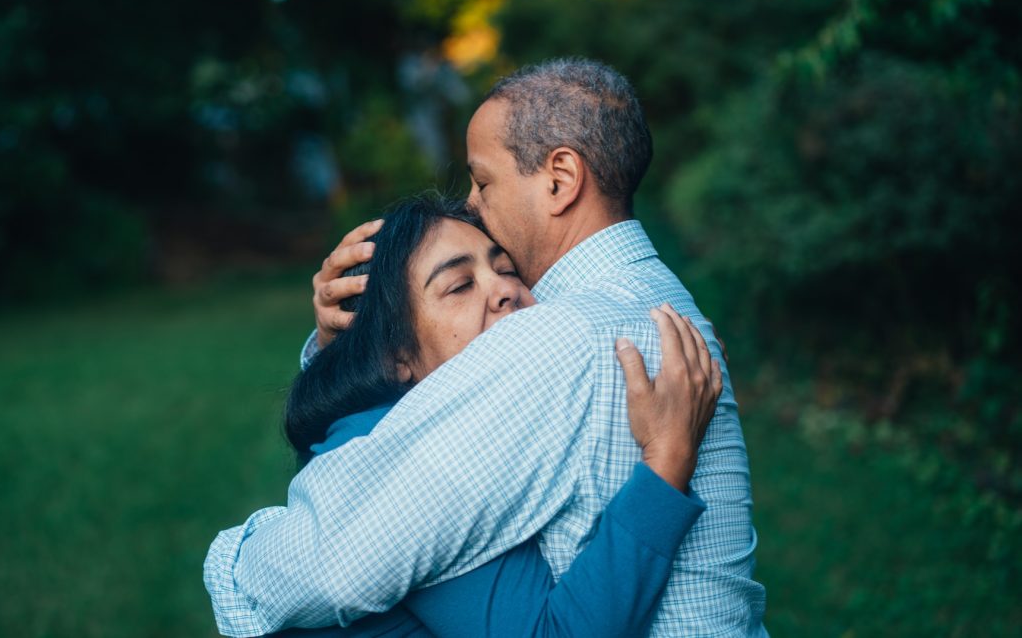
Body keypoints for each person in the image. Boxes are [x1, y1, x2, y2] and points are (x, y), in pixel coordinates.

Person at [206, 58, 767, 636]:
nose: (473, 204)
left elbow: (329, 563)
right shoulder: (657, 304)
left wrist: (235, 560)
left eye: (483, 180)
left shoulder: (558, 336)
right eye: (459, 282)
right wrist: (345, 344)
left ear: (560, 179)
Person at [272, 195, 719, 636]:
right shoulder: (417, 465)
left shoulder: (447, 421)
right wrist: (667, 460)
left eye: (506, 269)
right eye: (460, 286)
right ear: (395, 356)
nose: (506, 289)